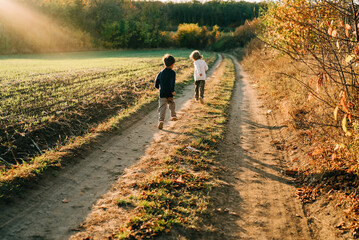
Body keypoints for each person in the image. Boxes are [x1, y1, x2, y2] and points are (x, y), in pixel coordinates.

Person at [155, 54, 178, 130]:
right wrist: (172, 91)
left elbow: (156, 81)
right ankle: (173, 115)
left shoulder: (161, 72)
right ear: (172, 64)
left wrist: (157, 87)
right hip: (169, 93)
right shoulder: (172, 73)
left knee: (162, 107)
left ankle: (161, 120)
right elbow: (172, 82)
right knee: (171, 103)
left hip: (162, 93)